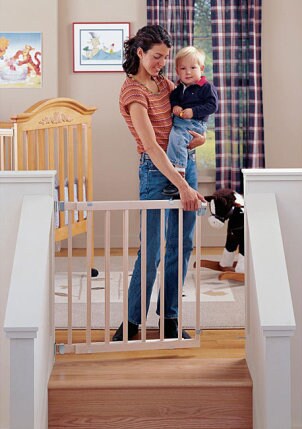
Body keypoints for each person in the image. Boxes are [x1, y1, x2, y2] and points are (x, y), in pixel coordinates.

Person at [112, 25, 206, 342]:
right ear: (139, 52)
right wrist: (182, 185)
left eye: (165, 58)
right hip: (157, 172)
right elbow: (151, 146)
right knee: (151, 250)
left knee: (181, 246)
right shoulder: (132, 92)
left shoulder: (163, 83)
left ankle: (169, 319)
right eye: (156, 57)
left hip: (185, 166)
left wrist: (199, 139)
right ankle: (132, 322)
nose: (161, 64)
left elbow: (181, 124)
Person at [162, 46, 218, 197]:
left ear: (201, 68)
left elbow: (212, 106)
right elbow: (173, 99)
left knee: (178, 138)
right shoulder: (178, 89)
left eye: (193, 68)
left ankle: (179, 176)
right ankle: (175, 170)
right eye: (183, 68)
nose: (188, 72)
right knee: (175, 139)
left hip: (195, 123)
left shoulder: (206, 87)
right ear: (177, 71)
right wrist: (176, 106)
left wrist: (193, 112)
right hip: (180, 122)